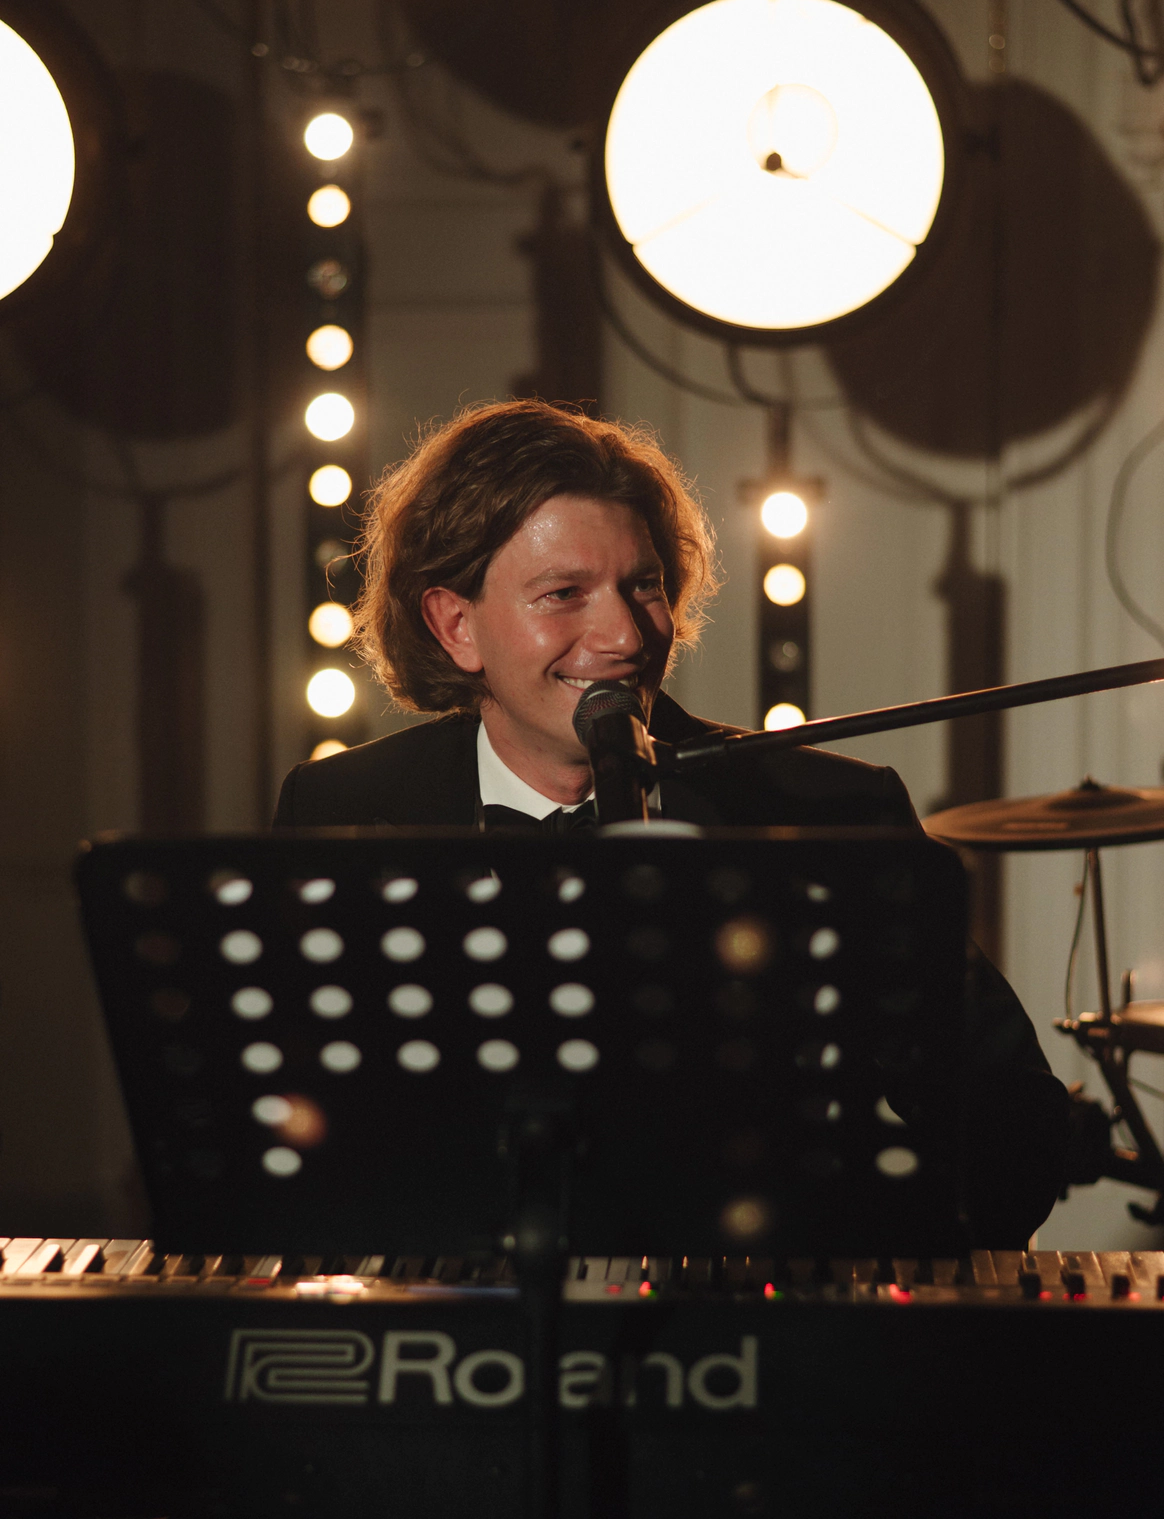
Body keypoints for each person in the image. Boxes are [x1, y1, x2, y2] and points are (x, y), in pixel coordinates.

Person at [276, 397, 1068, 1249]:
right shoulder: (338, 808)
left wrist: (839, 1279)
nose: (624, 635)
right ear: (456, 625)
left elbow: (1014, 1133)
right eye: (564, 594)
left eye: (643, 585)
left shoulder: (828, 811)